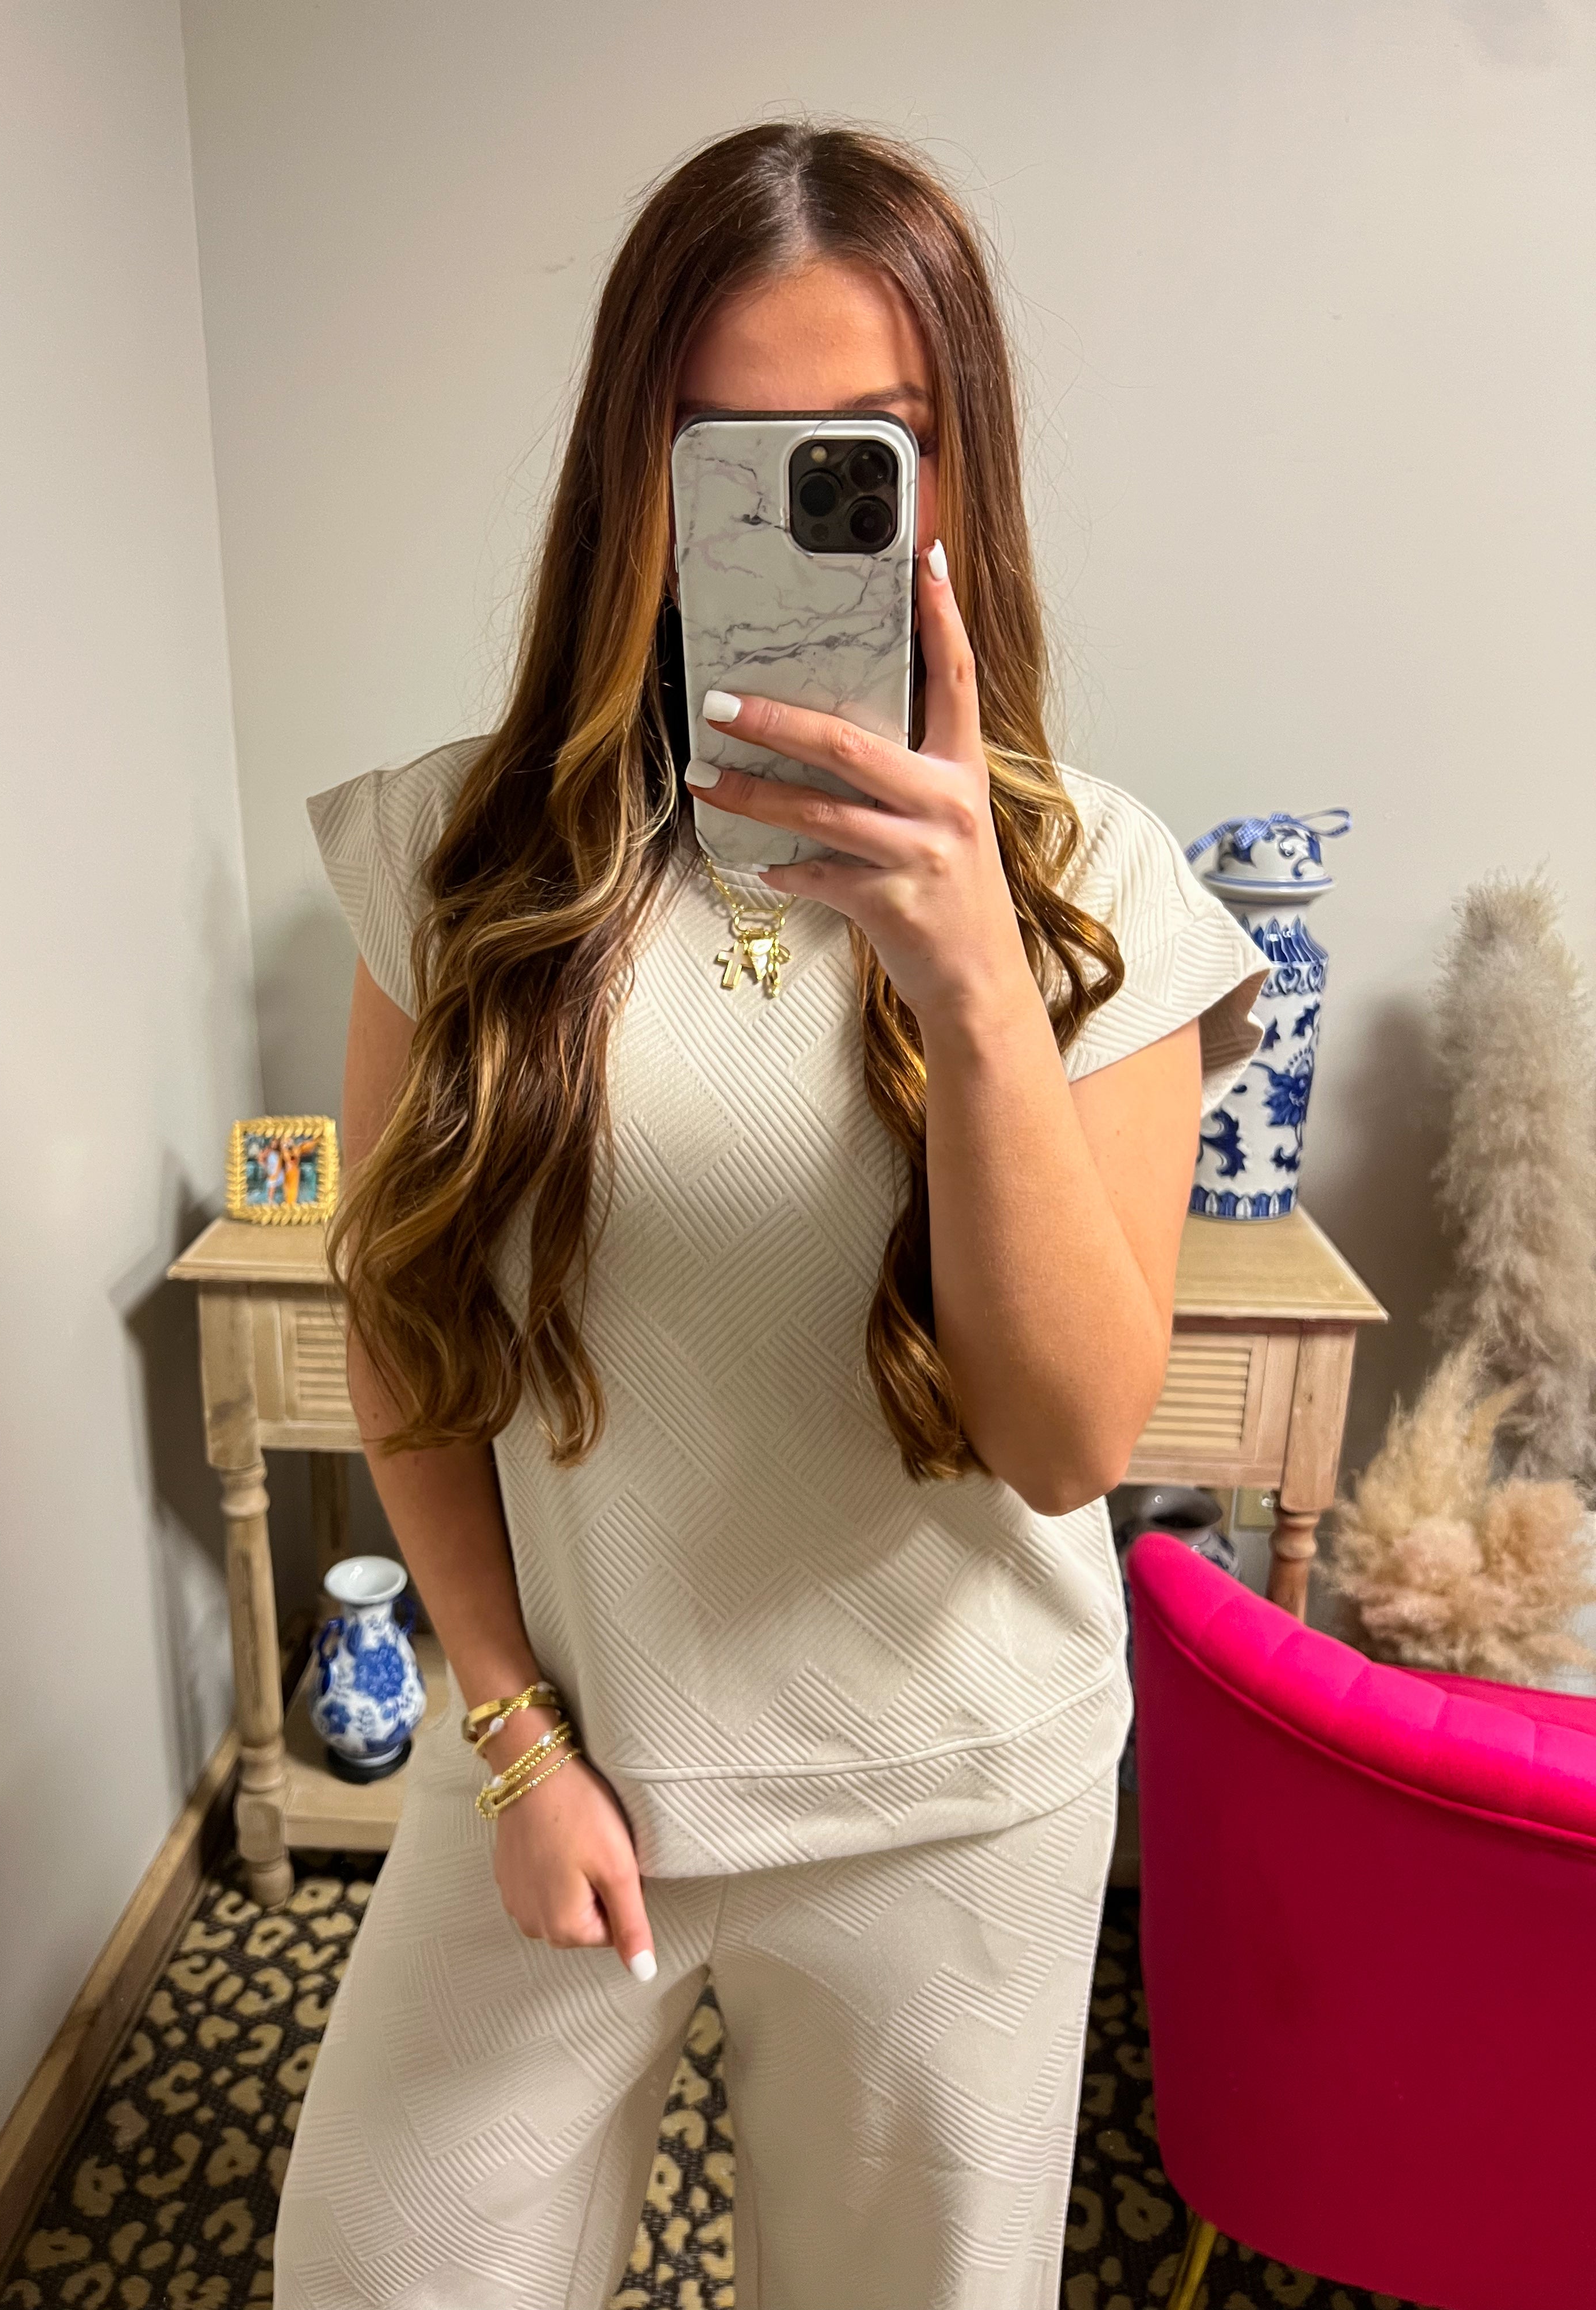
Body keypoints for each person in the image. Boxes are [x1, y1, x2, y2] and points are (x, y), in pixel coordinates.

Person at [276, 121, 1264, 2310]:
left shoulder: (1096, 885)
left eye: (867, 450)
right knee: (380, 2262)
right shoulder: (456, 857)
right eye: (726, 452)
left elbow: (1069, 1442)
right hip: (568, 1758)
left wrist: (973, 972)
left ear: (956, 471)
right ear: (631, 473)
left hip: (962, 1806)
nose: (797, 511)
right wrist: (509, 1730)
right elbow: (408, 1335)